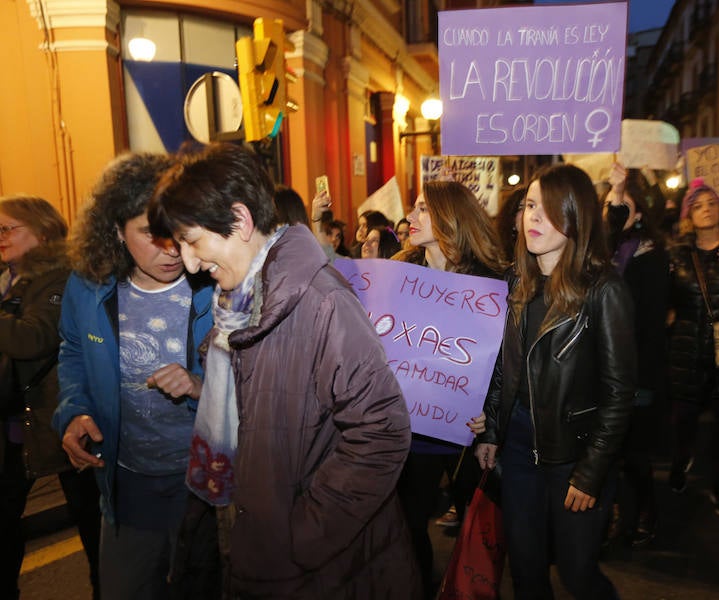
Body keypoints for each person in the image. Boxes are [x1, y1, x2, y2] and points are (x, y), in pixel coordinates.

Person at [148, 142, 418, 598]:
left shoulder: (318, 301)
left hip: (321, 569)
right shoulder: (240, 304)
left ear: (240, 220)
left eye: (193, 242)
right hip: (267, 552)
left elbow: (382, 431)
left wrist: (301, 536)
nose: (190, 263)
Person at [52, 153, 216, 600]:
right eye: (151, 233)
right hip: (128, 485)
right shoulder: (88, 285)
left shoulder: (217, 284)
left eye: (178, 231)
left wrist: (200, 385)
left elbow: (260, 381)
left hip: (206, 486)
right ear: (116, 231)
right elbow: (72, 352)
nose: (170, 249)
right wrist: (75, 412)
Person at [475, 163, 635, 600]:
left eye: (546, 209)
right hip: (519, 449)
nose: (533, 218)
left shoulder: (603, 289)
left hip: (575, 452)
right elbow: (501, 367)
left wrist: (590, 473)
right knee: (526, 572)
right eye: (528, 206)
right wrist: (492, 429)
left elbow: (620, 395)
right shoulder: (514, 282)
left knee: (577, 574)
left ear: (575, 216)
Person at [393, 180, 506, 597]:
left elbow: (501, 363)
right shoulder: (402, 273)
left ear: (447, 217)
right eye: (413, 208)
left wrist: (490, 422)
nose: (411, 217)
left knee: (475, 529)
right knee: (408, 525)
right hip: (414, 431)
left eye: (422, 209)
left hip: (465, 434)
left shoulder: (489, 284)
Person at [0, 196, 101, 600]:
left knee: (91, 520)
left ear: (41, 232)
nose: (1, 237)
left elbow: (32, 339)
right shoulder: (10, 277)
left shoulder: (59, 279)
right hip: (17, 420)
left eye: (8, 228)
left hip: (60, 417)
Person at [666, 178, 719, 518]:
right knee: (683, 418)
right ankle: (680, 459)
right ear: (688, 215)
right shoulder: (677, 253)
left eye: (711, 203)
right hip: (685, 349)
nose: (705, 209)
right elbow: (667, 299)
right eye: (697, 205)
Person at [602, 162, 669, 547]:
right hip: (598, 369)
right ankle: (611, 514)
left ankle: (644, 509)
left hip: (636, 367)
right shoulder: (596, 252)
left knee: (633, 450)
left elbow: (648, 321)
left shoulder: (650, 255)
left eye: (621, 203)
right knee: (606, 449)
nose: (613, 209)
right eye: (608, 203)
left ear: (638, 213)